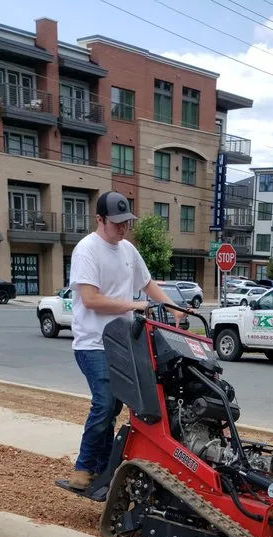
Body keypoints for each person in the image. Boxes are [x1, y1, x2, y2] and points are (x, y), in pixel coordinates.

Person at [65, 191, 180, 490]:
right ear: (100, 219)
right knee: (104, 403)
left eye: (126, 222)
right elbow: (90, 299)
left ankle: (102, 469)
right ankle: (83, 467)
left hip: (123, 343)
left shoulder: (128, 250)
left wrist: (172, 307)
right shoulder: (86, 250)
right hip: (93, 343)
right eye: (116, 223)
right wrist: (132, 306)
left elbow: (147, 283)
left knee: (116, 407)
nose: (122, 228)